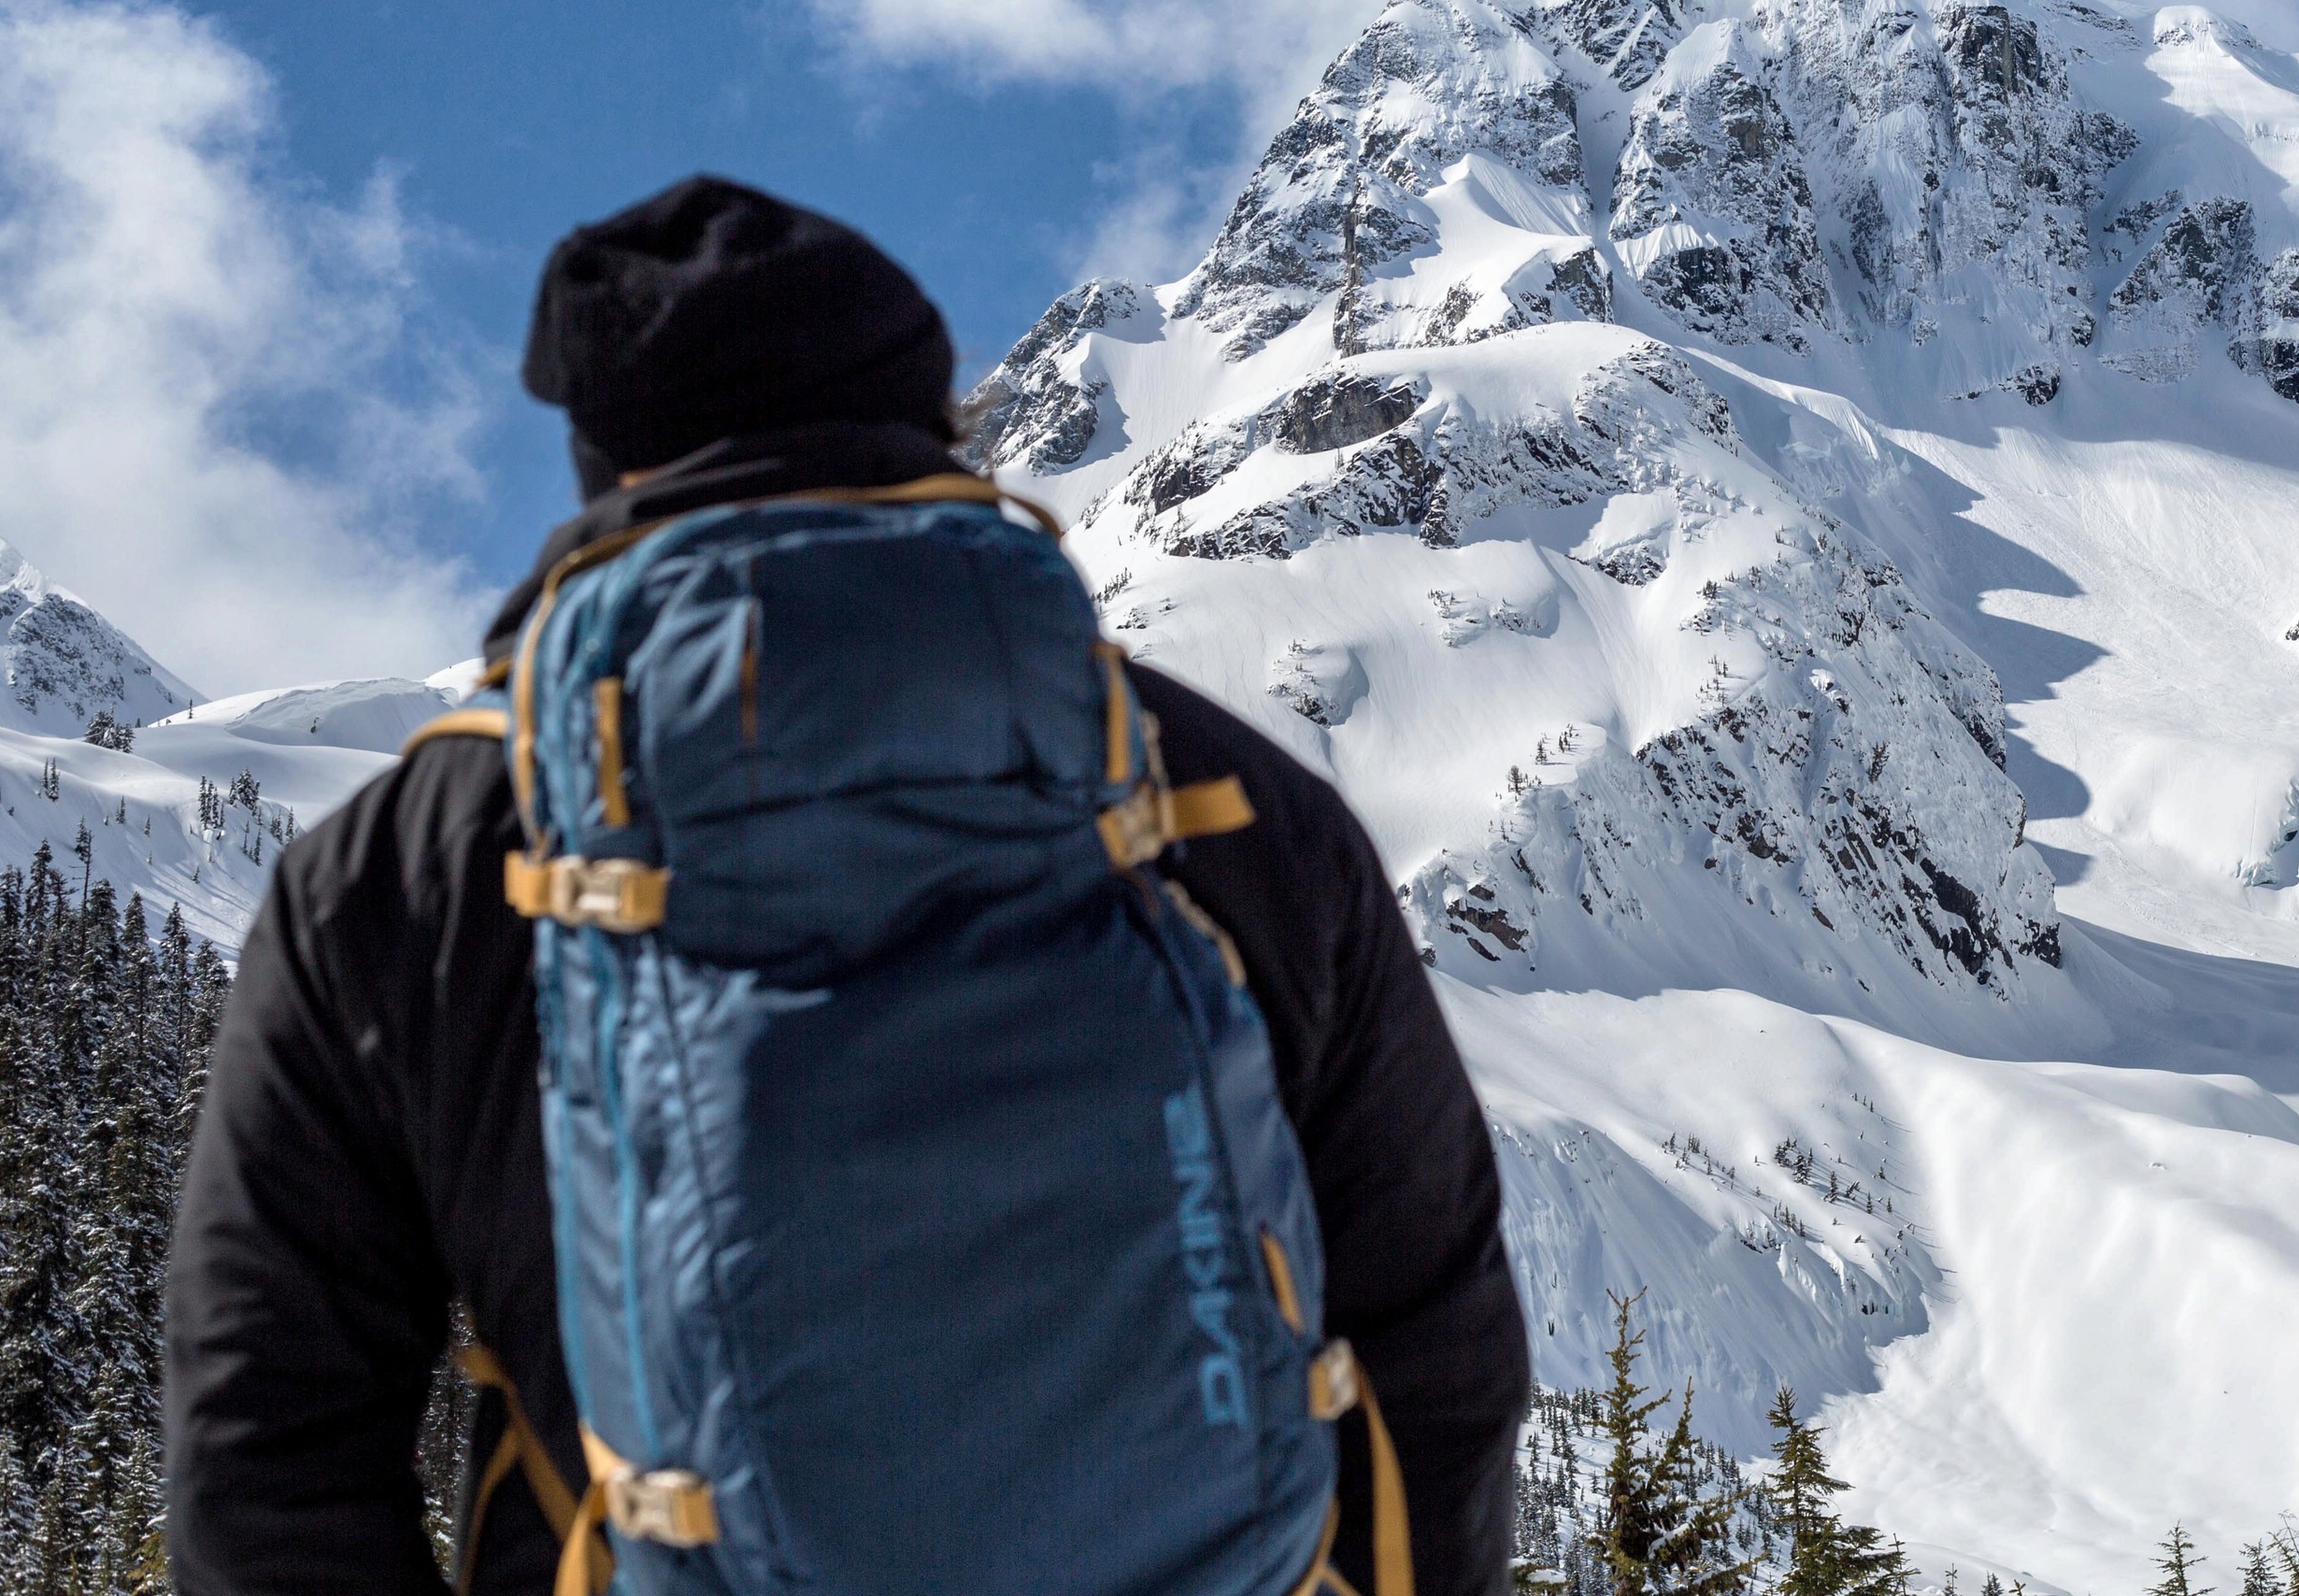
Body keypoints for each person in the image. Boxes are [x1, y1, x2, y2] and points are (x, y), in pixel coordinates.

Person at [164, 176, 1527, 1594]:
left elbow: (265, 1438)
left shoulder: (416, 868)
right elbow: (1437, 1345)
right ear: (936, 424)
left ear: (600, 466)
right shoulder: (1220, 801)